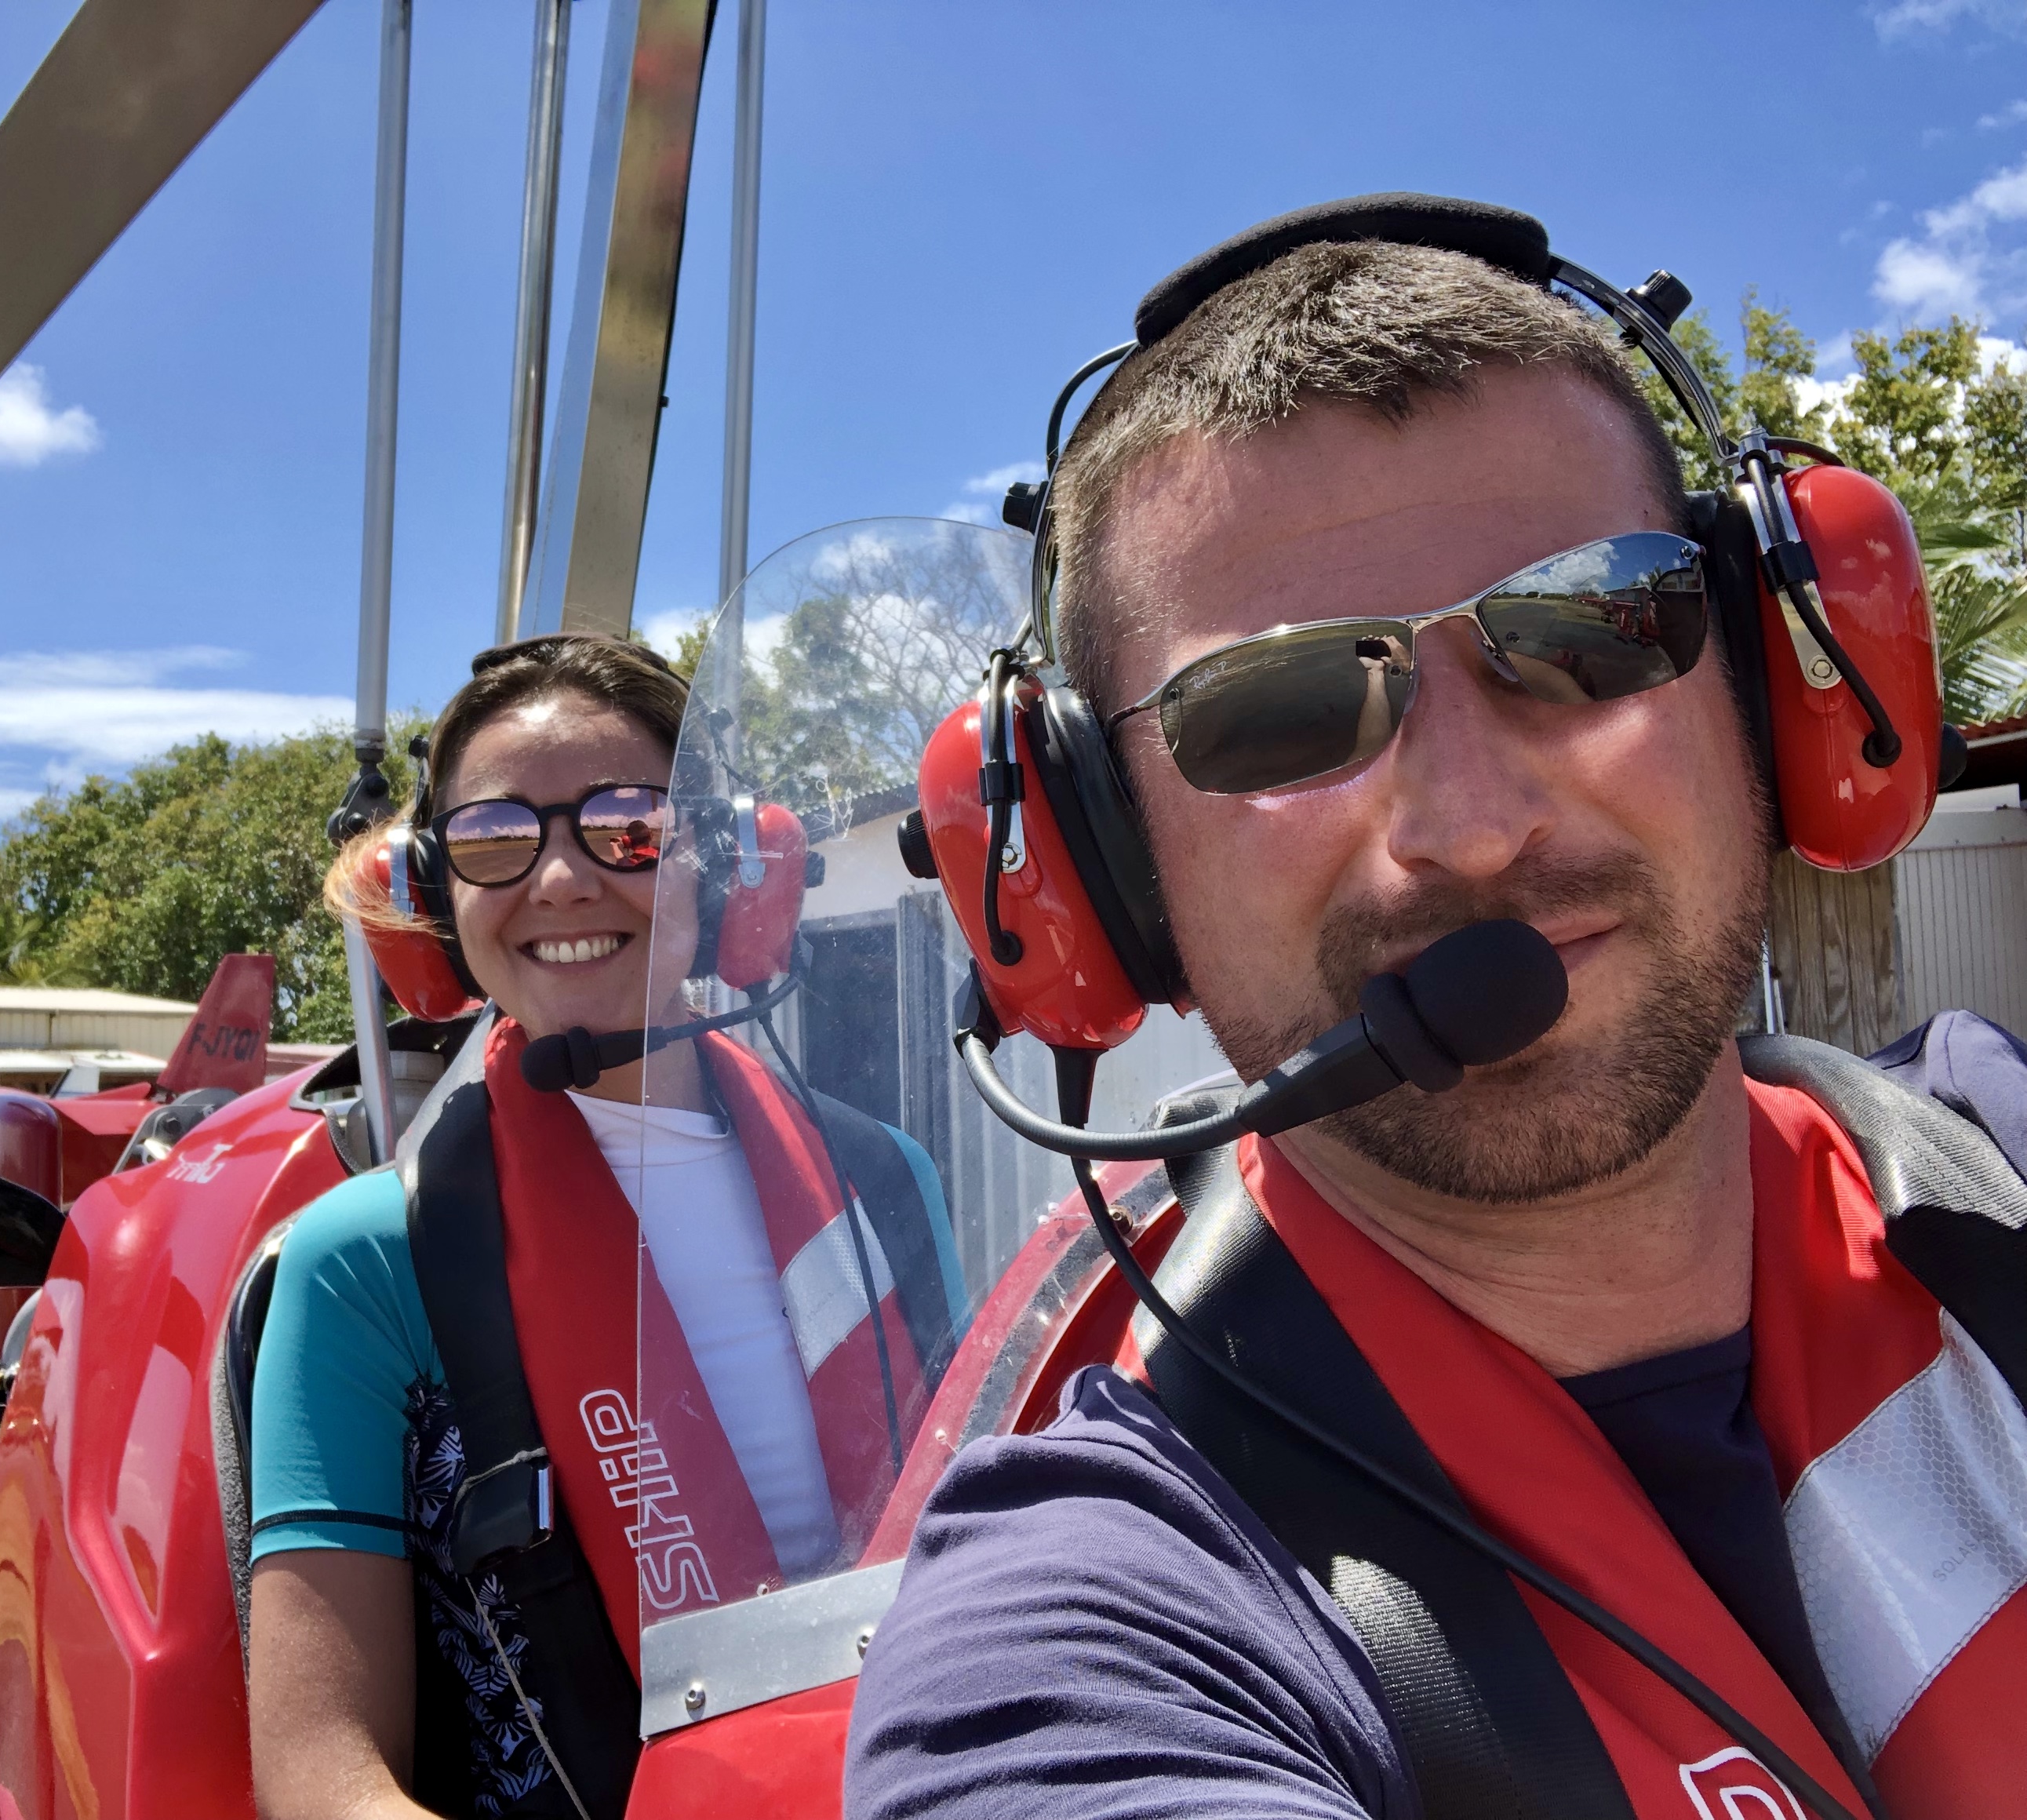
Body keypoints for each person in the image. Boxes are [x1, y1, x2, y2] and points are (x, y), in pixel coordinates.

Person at [846, 209, 2027, 1818]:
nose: (1472, 826)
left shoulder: (1995, 1157)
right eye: (1277, 712)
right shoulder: (1094, 1639)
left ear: (1768, 681)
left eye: (1593, 624)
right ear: (1103, 866)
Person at [245, 634, 966, 1820]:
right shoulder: (367, 1262)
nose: (564, 880)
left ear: (726, 862)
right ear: (434, 894)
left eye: (628, 827)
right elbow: (322, 1773)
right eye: (493, 839)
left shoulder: (888, 1182)